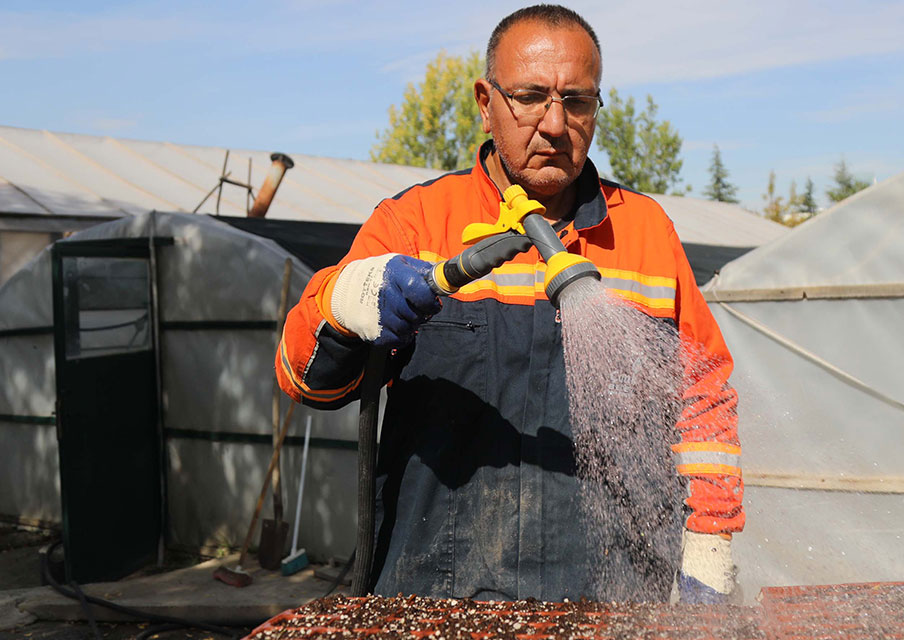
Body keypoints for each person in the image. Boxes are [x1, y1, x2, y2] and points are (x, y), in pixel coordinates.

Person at [275, 4, 742, 603]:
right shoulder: (416, 222)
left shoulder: (646, 231)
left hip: (613, 602)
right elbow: (307, 384)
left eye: (577, 101)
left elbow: (704, 399)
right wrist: (345, 300)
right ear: (485, 101)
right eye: (529, 97)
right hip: (439, 599)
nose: (554, 125)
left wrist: (710, 541)